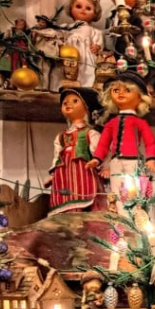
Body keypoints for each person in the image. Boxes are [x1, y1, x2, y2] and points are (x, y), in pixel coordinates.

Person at [86, 71, 155, 217]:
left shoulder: (139, 122)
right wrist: (97, 159)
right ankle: (119, 216)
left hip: (133, 162)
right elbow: (103, 144)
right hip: (116, 162)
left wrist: (151, 158)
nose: (121, 93)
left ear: (140, 97)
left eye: (127, 90)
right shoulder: (111, 123)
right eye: (116, 90)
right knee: (116, 190)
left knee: (134, 192)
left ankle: (135, 218)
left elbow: (150, 142)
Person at [47, 87, 106, 215]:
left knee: (84, 192)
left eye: (75, 101)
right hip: (64, 173)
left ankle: (84, 212)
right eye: (65, 103)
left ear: (86, 108)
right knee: (65, 195)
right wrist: (53, 176)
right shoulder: (61, 137)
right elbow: (57, 156)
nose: (68, 104)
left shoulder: (90, 133)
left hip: (83, 171)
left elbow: (99, 152)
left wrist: (103, 167)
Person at [65, 0, 104, 87]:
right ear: (71, 8)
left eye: (88, 8)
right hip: (69, 55)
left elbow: (98, 42)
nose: (83, 10)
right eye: (78, 6)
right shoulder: (66, 28)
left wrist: (97, 47)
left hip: (86, 56)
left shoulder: (94, 31)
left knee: (87, 71)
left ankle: (86, 86)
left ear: (95, 13)